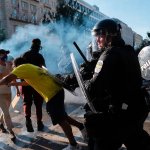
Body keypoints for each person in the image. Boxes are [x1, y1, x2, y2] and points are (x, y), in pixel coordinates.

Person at [83, 19, 150, 150]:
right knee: (137, 142)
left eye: (100, 36)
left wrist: (84, 77)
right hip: (135, 108)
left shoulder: (109, 54)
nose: (97, 40)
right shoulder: (129, 51)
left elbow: (92, 89)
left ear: (109, 35)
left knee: (101, 143)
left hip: (120, 115)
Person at [0, 57, 86, 150]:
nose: (13, 68)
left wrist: (6, 80)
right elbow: (27, 83)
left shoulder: (20, 68)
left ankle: (74, 145)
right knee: (62, 116)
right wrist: (13, 84)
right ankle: (82, 127)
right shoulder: (30, 67)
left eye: (13, 66)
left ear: (16, 65)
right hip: (56, 91)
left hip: (52, 93)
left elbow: (6, 79)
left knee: (61, 120)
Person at [21, 38, 45, 132]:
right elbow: (43, 70)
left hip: (26, 82)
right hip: (37, 83)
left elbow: (20, 68)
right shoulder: (39, 56)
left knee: (27, 102)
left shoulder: (24, 55)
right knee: (38, 103)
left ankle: (28, 120)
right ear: (38, 46)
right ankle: (39, 123)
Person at [0, 49, 16, 141]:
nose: (4, 57)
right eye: (2, 56)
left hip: (8, 91)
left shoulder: (8, 64)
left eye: (5, 55)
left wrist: (17, 89)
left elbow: (13, 76)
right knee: (6, 112)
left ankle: (1, 123)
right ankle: (11, 131)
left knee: (5, 110)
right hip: (0, 93)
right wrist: (5, 67)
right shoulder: (3, 66)